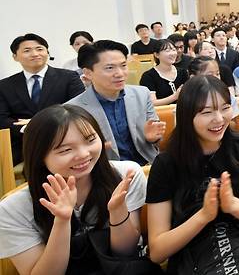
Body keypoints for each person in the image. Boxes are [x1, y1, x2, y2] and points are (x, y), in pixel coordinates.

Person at [146, 76, 239, 273]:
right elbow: (157, 251)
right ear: (187, 116)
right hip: (195, 256)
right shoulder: (166, 164)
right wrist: (204, 216)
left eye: (225, 108)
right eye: (207, 112)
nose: (219, 119)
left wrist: (234, 206)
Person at [0, 105, 147, 275]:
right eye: (66, 150)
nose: (84, 154)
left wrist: (117, 212)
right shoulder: (12, 209)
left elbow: (125, 253)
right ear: (39, 156)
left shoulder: (125, 175)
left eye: (91, 140)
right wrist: (62, 221)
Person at [67, 40, 164, 165]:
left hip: (147, 165)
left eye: (123, 66)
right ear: (88, 73)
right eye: (110, 68)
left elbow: (156, 136)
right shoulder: (74, 109)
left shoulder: (141, 94)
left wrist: (152, 138)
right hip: (106, 172)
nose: (120, 73)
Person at [0, 33, 85, 164]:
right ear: (15, 57)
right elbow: (2, 119)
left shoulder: (69, 77)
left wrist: (36, 124)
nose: (35, 54)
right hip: (23, 143)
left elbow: (78, 109)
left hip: (64, 138)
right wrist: (27, 129)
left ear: (47, 52)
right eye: (27, 50)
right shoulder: (5, 85)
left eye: (39, 49)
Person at [139, 39, 189, 106]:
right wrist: (174, 97)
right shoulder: (148, 76)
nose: (172, 53)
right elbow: (152, 103)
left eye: (173, 50)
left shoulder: (182, 72)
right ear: (156, 55)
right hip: (160, 114)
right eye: (167, 51)